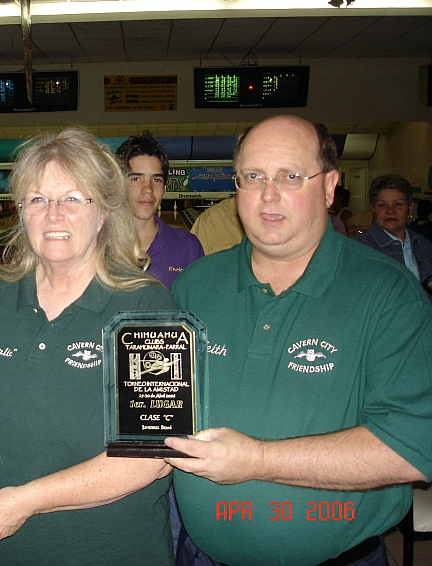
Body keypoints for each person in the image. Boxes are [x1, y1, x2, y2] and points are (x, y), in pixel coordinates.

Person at [167, 116, 432, 566]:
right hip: (201, 557)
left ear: (329, 187)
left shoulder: (388, 293)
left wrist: (257, 461)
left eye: (290, 176)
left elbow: (411, 448)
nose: (268, 195)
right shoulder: (194, 285)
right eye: (253, 176)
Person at [0, 129, 175, 566]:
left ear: (104, 212)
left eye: (72, 199)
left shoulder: (148, 308)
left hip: (107, 553)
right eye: (38, 199)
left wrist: (26, 501)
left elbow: (153, 454)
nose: (53, 215)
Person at [115, 134, 203, 288]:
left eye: (156, 180)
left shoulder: (188, 247)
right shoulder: (97, 246)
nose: (148, 189)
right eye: (136, 179)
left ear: (164, 189)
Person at [356, 174, 432, 283]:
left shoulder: (424, 245)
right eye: (382, 205)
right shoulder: (359, 249)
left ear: (410, 208)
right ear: (373, 209)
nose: (390, 210)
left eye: (398, 204)